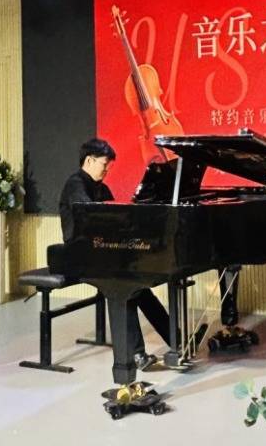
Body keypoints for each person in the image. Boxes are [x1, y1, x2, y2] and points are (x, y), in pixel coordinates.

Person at [59, 138, 171, 370]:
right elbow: (90, 219)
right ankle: (136, 354)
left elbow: (115, 221)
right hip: (79, 253)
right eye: (104, 164)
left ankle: (175, 339)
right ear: (89, 160)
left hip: (101, 252)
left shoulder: (101, 187)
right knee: (124, 288)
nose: (107, 170)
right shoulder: (75, 184)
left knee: (139, 288)